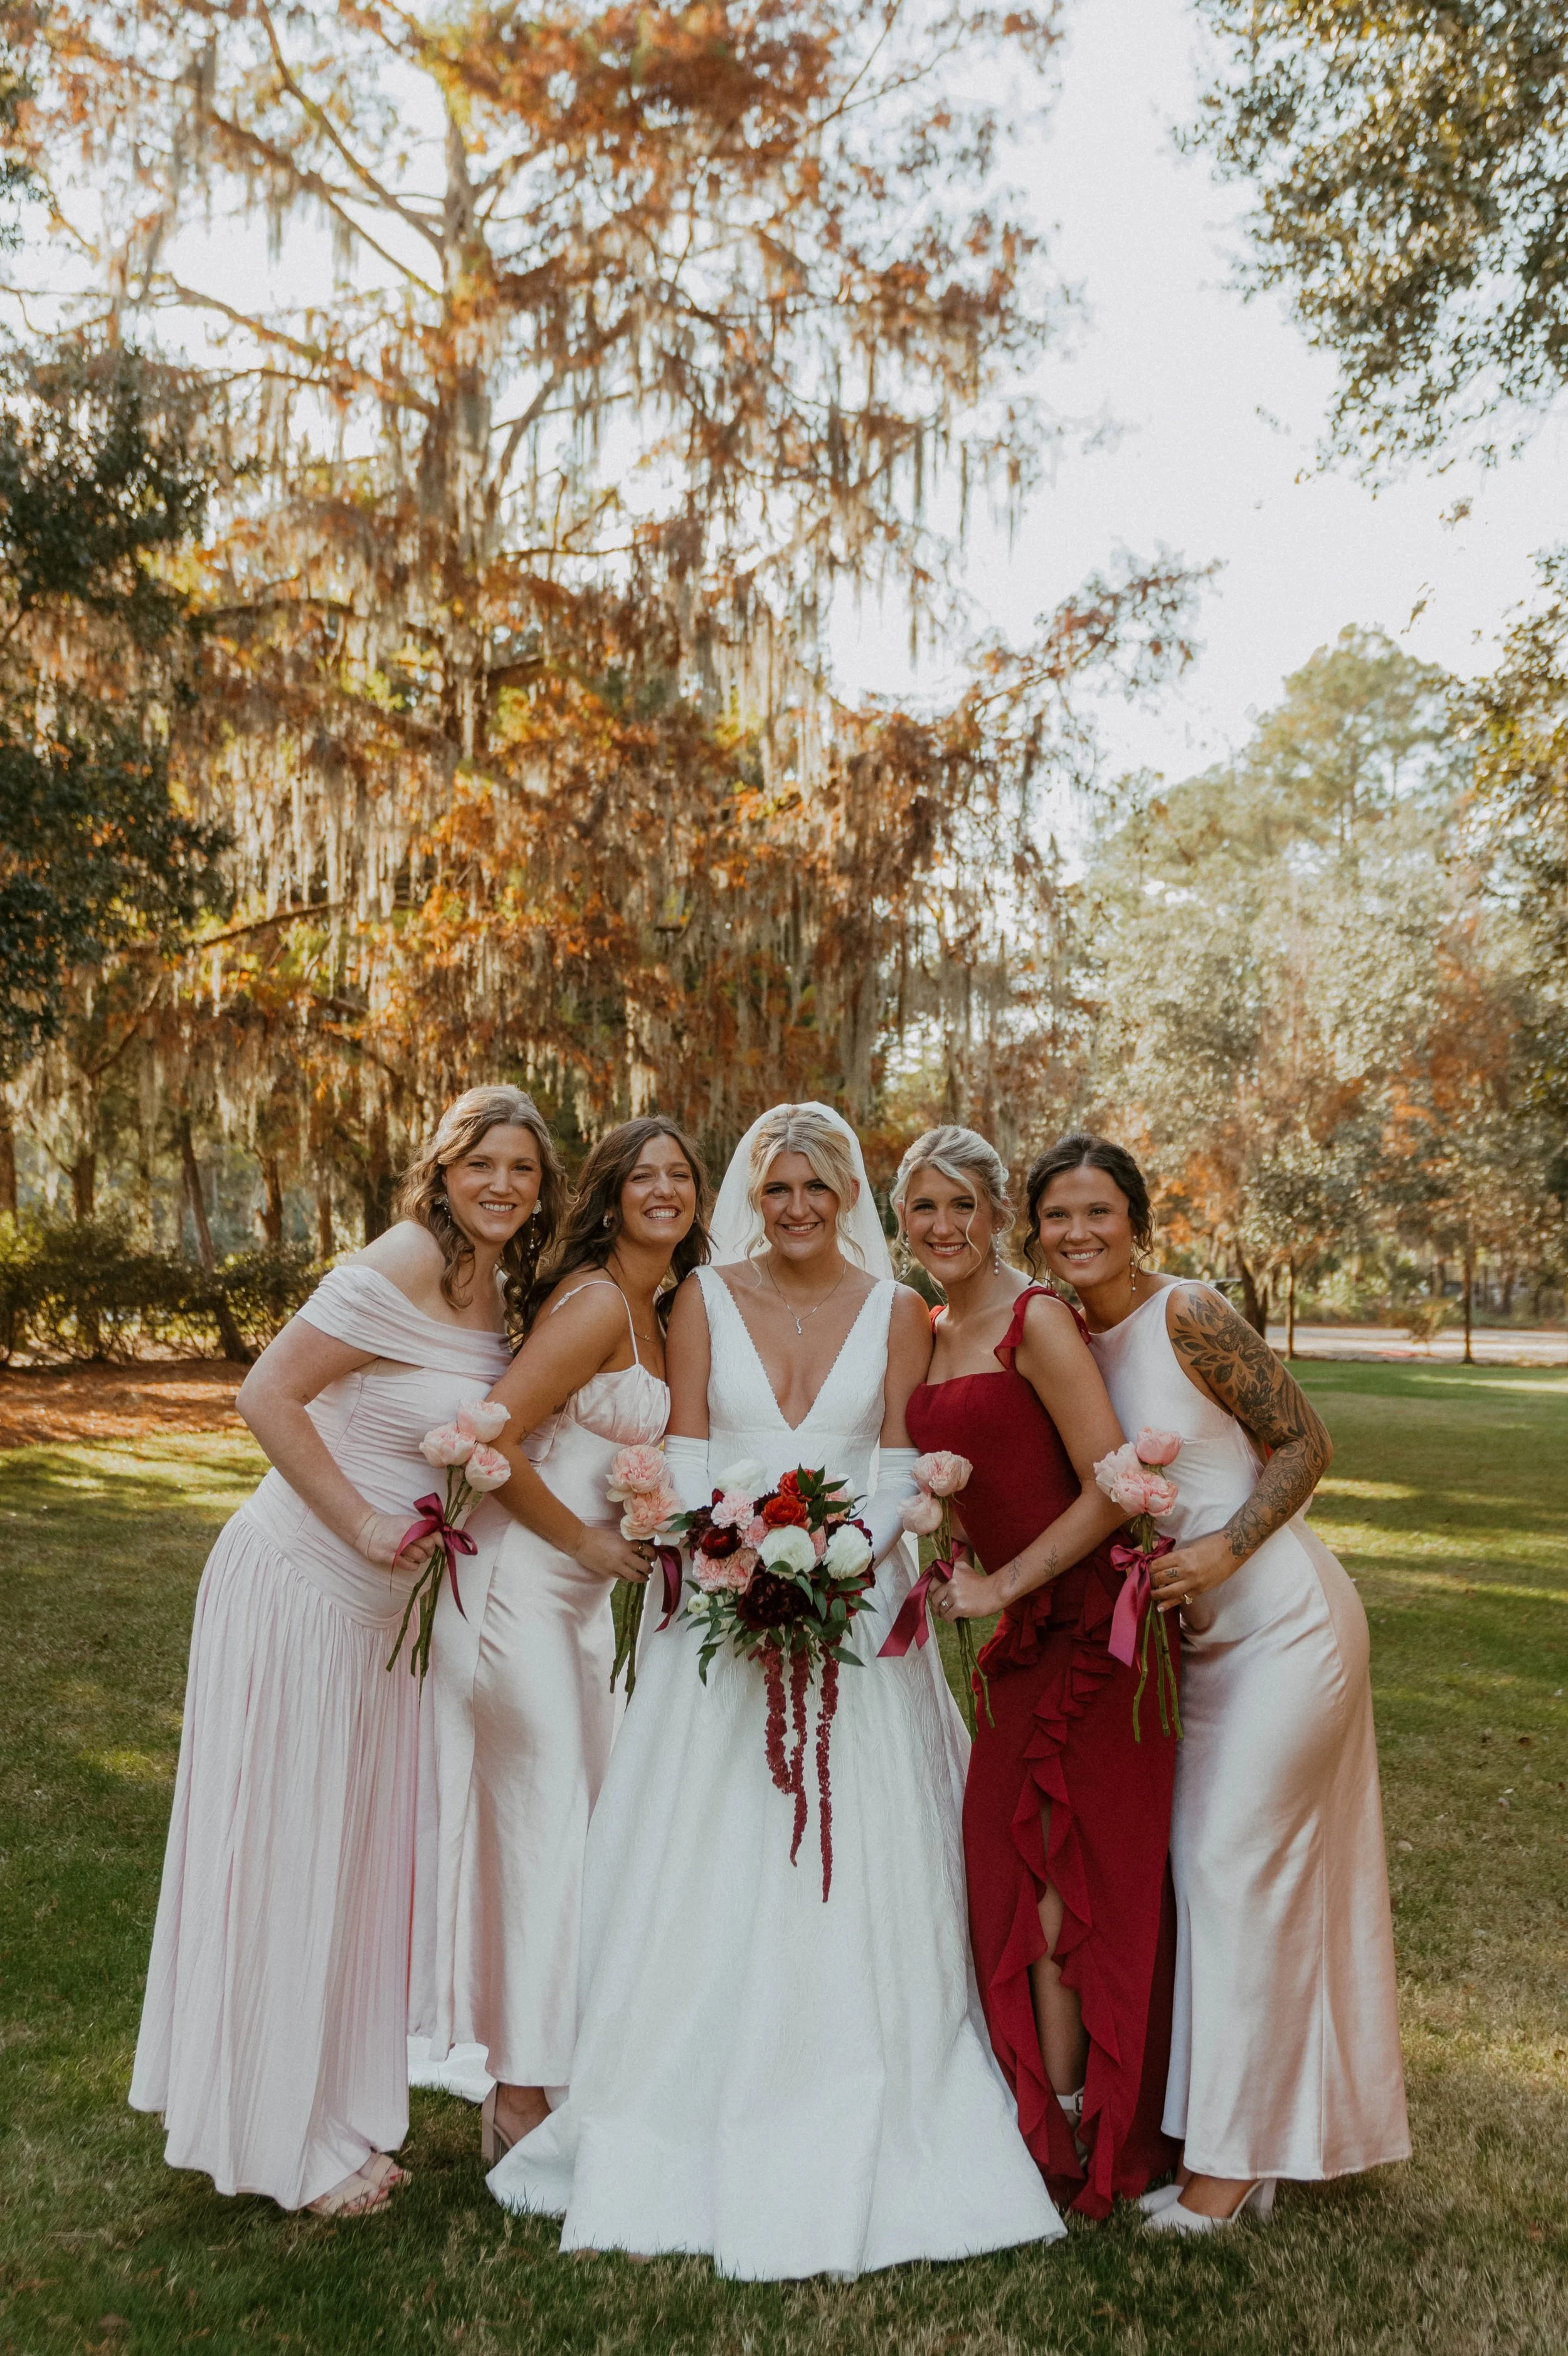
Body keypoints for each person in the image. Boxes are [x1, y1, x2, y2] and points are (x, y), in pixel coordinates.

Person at [487, 1102, 1063, 2276]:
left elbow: (898, 1468)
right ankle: (669, 2082)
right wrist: (737, 1561)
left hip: (859, 1613)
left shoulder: (897, 1310)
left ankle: (874, 2069)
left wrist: (842, 1564)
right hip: (719, 1600)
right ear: (757, 1195)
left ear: (847, 1195)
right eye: (779, 1188)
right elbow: (689, 1456)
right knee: (707, 1846)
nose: (797, 1208)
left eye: (817, 1188)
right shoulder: (703, 1298)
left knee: (863, 1854)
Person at [130, 1085, 563, 2215]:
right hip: (303, 1585)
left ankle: (322, 2113)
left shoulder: (498, 1286)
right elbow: (266, 1392)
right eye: (482, 1164)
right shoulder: (407, 1256)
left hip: (384, 1623)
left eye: (522, 1168)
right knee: (288, 1850)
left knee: (349, 1864)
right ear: (444, 1170)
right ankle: (278, 2143)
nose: (502, 1185)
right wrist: (367, 1527)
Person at [1027, 1132, 1410, 2232]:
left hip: (1286, 1626)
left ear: (1136, 1221)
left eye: (1099, 1211)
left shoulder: (1187, 1312)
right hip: (1191, 1657)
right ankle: (1260, 2134)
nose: (1079, 1233)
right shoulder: (1066, 1340)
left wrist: (1224, 1550)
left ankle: (1229, 2173)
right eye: (1057, 1216)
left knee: (1227, 1866)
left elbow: (1305, 1443)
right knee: (1214, 1877)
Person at [894, 1125, 1178, 2219]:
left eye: (962, 1204)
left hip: (1092, 1632)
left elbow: (1114, 1483)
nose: (943, 1226)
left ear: (995, 1212)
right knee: (1008, 1867)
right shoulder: (927, 1329)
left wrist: (1003, 1582)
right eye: (923, 1207)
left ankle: (1081, 2132)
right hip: (1018, 1638)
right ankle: (1044, 2114)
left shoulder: (1036, 1319)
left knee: (1066, 1884)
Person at [412, 1118, 707, 2163]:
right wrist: (585, 1538)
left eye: (680, 1176)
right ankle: (519, 2097)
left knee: (574, 1834)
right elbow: (485, 1439)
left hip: (577, 1612)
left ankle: (555, 2061)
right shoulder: (592, 1306)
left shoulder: (661, 1309)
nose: (663, 1191)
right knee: (543, 1836)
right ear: (611, 1195)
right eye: (643, 1177)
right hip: (514, 1593)